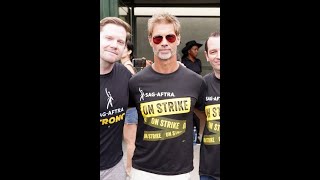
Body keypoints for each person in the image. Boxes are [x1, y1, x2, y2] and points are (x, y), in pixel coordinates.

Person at [128, 12, 206, 180]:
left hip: (180, 171)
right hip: (143, 171)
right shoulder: (136, 82)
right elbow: (126, 120)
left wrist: (200, 139)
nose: (164, 43)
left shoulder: (196, 82)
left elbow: (204, 114)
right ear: (150, 41)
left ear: (177, 39)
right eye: (158, 38)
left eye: (169, 37)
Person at [100, 17, 132, 180]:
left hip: (114, 167)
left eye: (120, 41)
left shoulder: (124, 75)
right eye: (109, 38)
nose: (114, 45)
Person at [195, 32, 220, 180]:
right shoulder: (202, 84)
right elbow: (199, 111)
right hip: (209, 169)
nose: (218, 56)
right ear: (206, 55)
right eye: (213, 52)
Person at [119, 41, 139, 176]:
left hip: (130, 110)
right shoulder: (126, 66)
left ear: (130, 51)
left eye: (124, 47)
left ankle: (129, 169)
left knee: (130, 142)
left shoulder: (127, 67)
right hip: (129, 110)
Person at [181, 40, 203, 144]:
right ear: (189, 51)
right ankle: (193, 136)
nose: (197, 51)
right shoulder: (183, 62)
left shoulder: (198, 62)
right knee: (190, 114)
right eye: (195, 49)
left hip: (197, 89)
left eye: (197, 49)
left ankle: (196, 135)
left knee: (198, 114)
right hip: (187, 90)